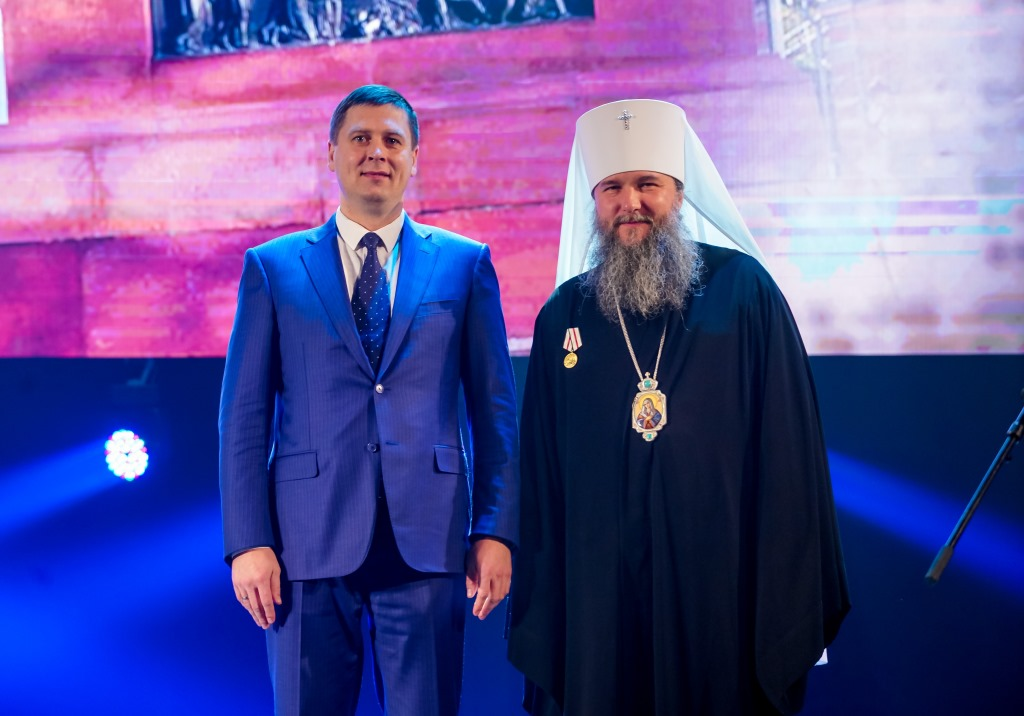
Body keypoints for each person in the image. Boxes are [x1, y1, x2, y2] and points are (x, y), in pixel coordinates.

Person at [507, 99, 850, 715]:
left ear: (679, 193)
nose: (630, 203)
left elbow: (789, 452)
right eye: (613, 188)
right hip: (599, 599)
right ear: (593, 200)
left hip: (719, 585)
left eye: (648, 184)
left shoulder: (743, 291)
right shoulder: (563, 315)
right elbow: (542, 477)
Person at [219, 84, 519, 716]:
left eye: (392, 140)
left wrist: (495, 529)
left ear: (415, 157)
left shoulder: (464, 264)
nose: (376, 152)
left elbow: (495, 412)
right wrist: (248, 541)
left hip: (429, 537)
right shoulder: (273, 268)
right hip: (304, 544)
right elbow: (243, 419)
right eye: (360, 138)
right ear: (332, 153)